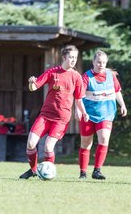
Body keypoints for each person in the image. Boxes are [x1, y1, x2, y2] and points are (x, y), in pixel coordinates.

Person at [19, 45, 89, 179]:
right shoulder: (52, 72)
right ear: (64, 57)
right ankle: (33, 170)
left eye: (75, 57)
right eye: (71, 57)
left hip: (62, 119)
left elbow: (79, 99)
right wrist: (31, 82)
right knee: (31, 143)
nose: (73, 60)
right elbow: (34, 87)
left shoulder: (76, 77)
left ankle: (47, 173)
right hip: (45, 115)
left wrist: (84, 112)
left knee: (48, 147)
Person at [76, 50, 127, 180]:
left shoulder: (111, 75)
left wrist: (122, 105)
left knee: (104, 138)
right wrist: (78, 110)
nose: (101, 65)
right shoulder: (86, 77)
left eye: (104, 62)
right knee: (86, 144)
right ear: (93, 62)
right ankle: (83, 172)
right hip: (88, 115)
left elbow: (116, 91)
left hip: (106, 114)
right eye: (99, 62)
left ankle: (97, 171)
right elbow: (79, 96)